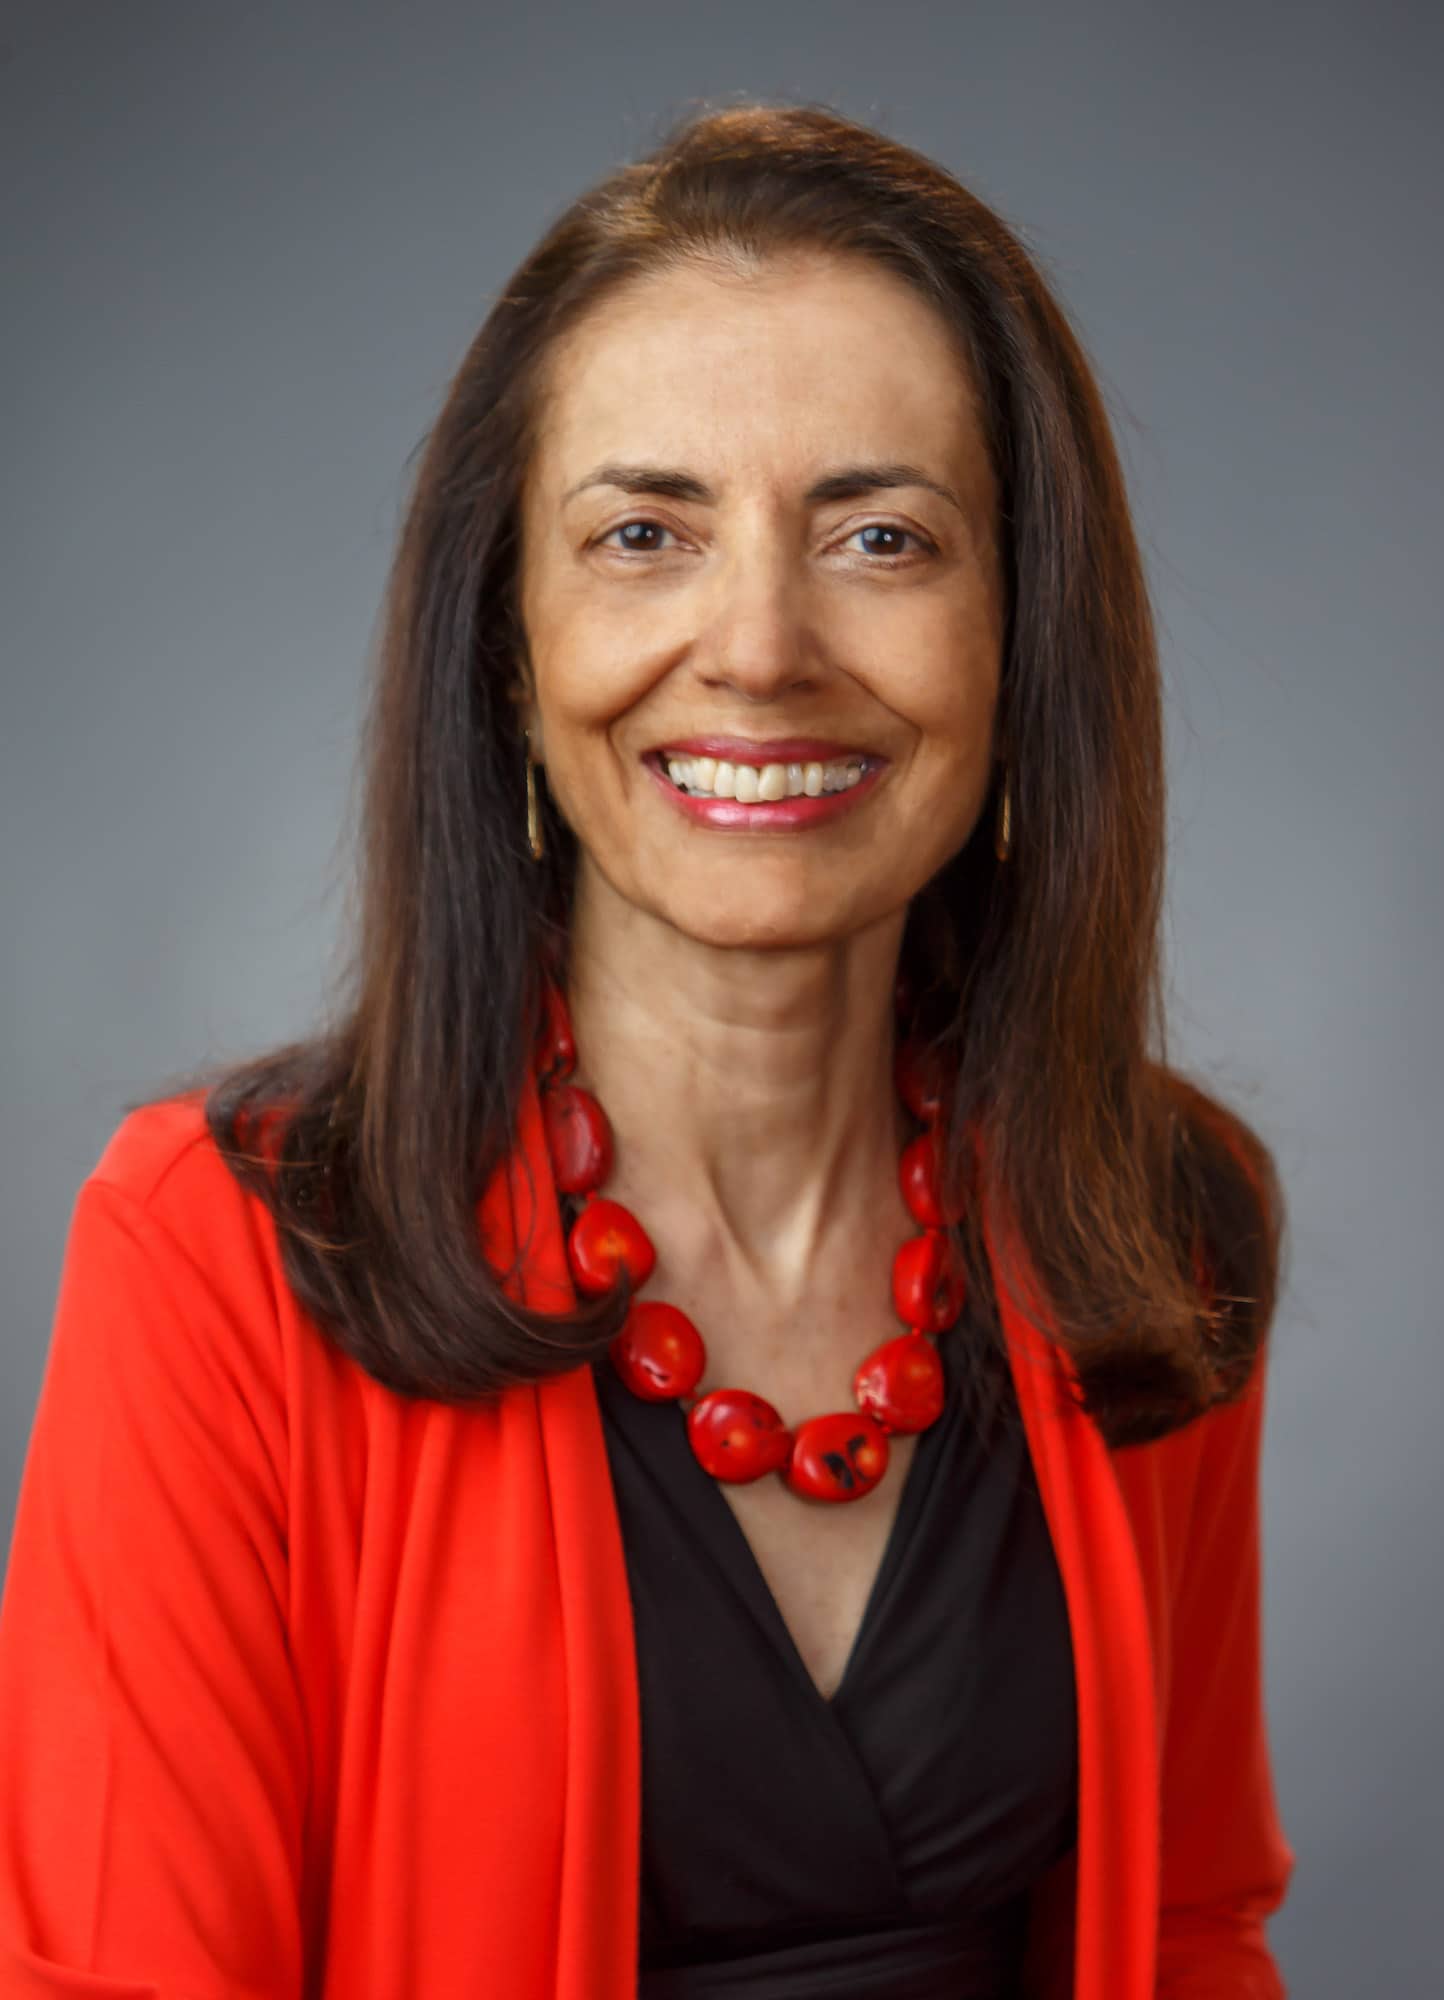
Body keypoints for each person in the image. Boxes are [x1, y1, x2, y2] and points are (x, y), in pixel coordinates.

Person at [0, 100, 1294, 1999]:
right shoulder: (218, 1254)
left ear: (1022, 643)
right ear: (512, 652)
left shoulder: (1156, 1220)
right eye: (641, 532)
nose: (758, 644)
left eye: (880, 534)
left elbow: (1185, 1932)